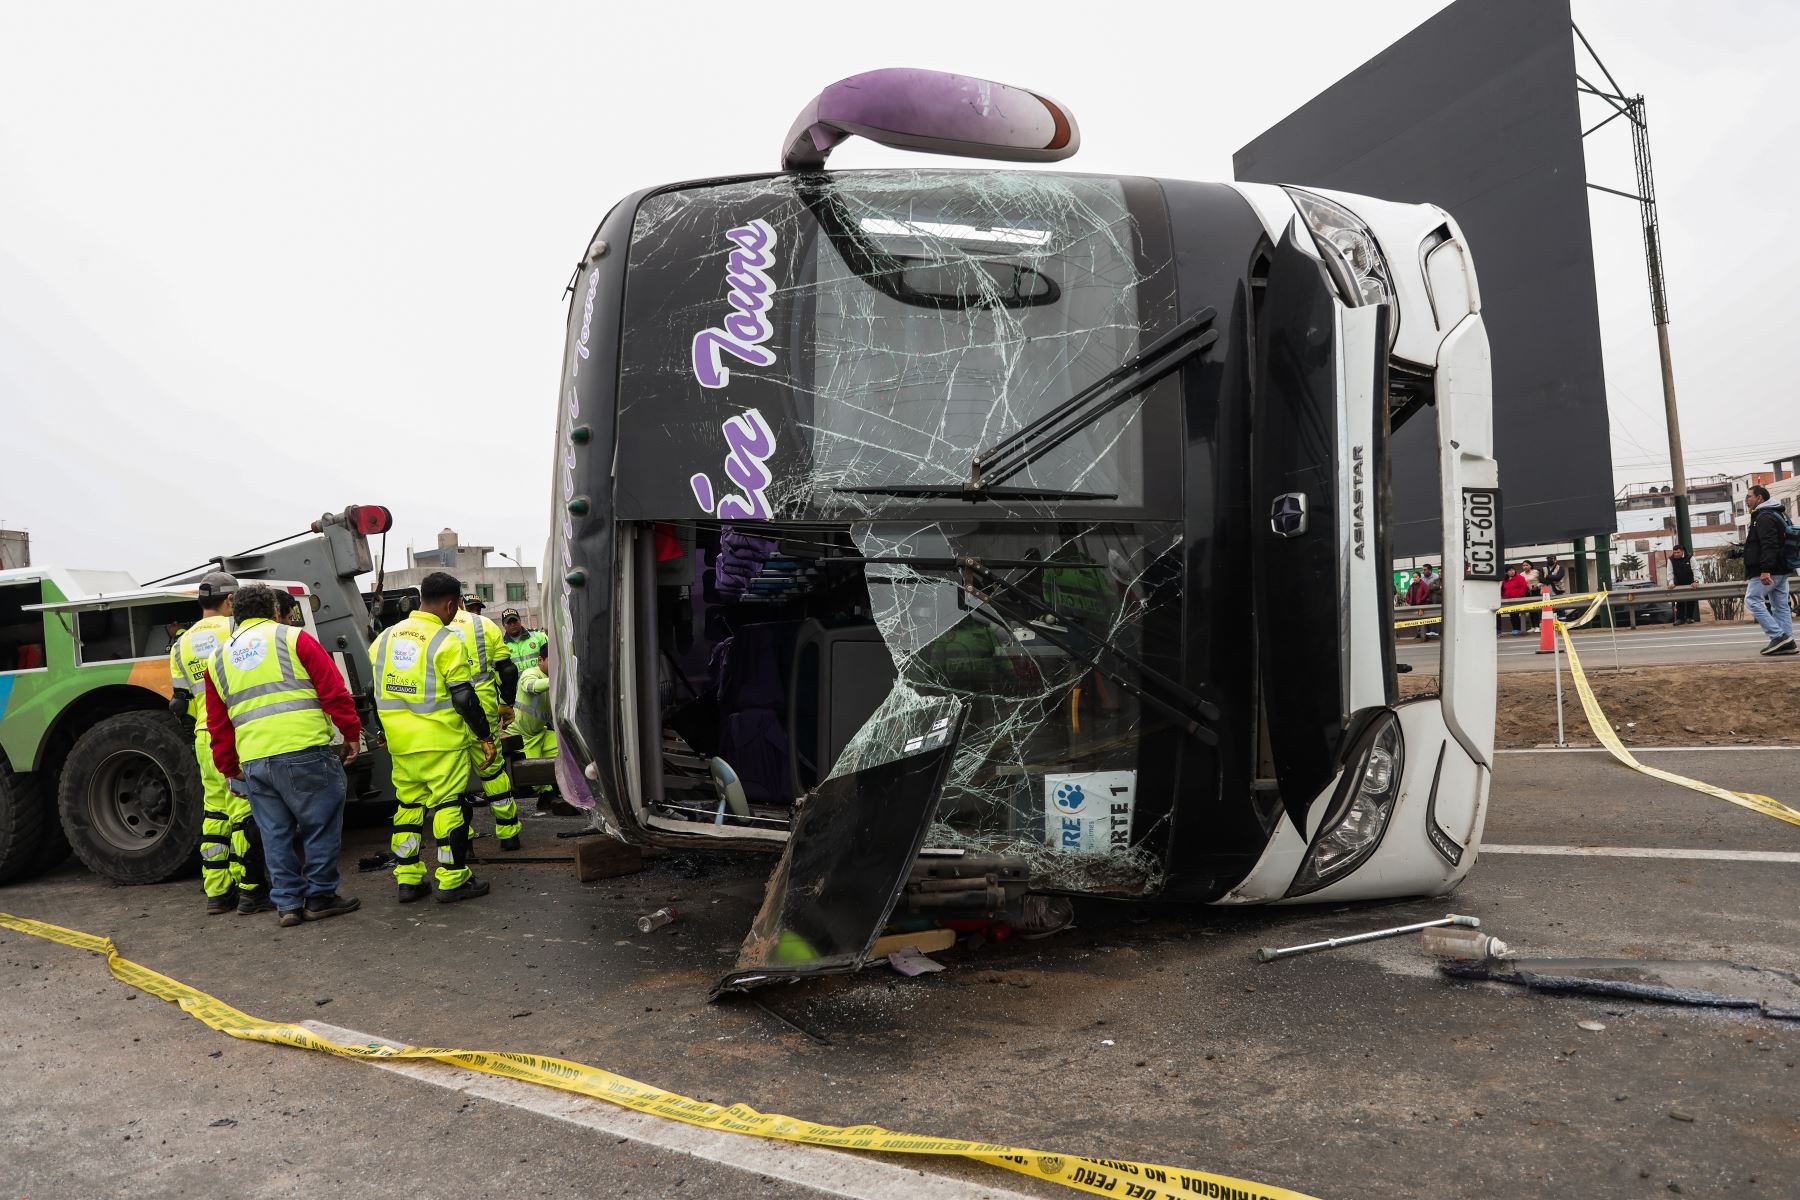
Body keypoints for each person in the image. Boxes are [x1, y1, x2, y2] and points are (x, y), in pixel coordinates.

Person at [204, 583, 362, 928]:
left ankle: (288, 904)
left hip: (255, 761)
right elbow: (333, 690)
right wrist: (350, 732)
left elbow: (217, 722)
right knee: (319, 825)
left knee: (274, 833)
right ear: (275, 610)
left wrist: (229, 767)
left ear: (235, 612)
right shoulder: (293, 638)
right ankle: (320, 896)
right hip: (304, 750)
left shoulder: (217, 658)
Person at [369, 572, 497, 902]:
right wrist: (485, 735)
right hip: (441, 742)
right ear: (451, 603)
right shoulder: (446, 640)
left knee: (408, 808)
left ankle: (409, 880)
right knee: (449, 806)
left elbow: (374, 692)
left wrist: (382, 731)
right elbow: (465, 698)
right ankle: (453, 880)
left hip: (401, 744)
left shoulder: (384, 639)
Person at [168, 572, 269, 915]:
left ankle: (216, 892)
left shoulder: (180, 643)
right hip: (235, 733)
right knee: (244, 812)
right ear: (230, 602)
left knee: (215, 813)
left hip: (203, 735)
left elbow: (179, 699)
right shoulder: (234, 631)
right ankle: (251, 889)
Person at [456, 594, 524, 850]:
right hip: (482, 707)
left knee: (452, 779)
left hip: (444, 714)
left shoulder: (428, 630)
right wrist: (506, 703)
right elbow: (507, 670)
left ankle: (462, 844)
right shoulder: (482, 625)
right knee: (493, 770)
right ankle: (508, 834)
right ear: (457, 600)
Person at [505, 641, 560, 809]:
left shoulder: (555, 679)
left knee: (565, 750)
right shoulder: (531, 673)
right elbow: (532, 687)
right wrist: (558, 679)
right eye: (553, 660)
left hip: (540, 733)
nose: (557, 665)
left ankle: (553, 794)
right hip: (523, 737)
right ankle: (545, 797)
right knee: (531, 777)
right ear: (540, 660)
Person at [1742, 485, 1796, 656]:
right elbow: (1764, 544)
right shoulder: (1777, 513)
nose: (1746, 499)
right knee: (1780, 606)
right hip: (1782, 568)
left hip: (1767, 570)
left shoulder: (1764, 516)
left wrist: (1765, 570)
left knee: (1752, 600)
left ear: (1760, 498)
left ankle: (1778, 636)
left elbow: (1769, 544)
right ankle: (1788, 641)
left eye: (1749, 496)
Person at [500, 607, 548, 673]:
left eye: (515, 621)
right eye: (509, 623)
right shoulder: (501, 645)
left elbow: (550, 659)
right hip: (516, 683)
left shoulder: (539, 637)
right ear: (503, 625)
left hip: (539, 681)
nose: (513, 625)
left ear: (520, 620)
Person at [1667, 545, 1701, 626]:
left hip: (1690, 583)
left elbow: (1695, 570)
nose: (1676, 554)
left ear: (1682, 551)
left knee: (1691, 600)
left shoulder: (1690, 558)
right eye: (1674, 552)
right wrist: (1671, 583)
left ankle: (1690, 618)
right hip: (1678, 583)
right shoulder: (1671, 559)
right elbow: (1669, 572)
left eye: (1678, 552)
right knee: (1680, 601)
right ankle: (1680, 619)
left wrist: (1696, 581)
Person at [1499, 565, 1530, 635]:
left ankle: (1518, 628)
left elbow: (1524, 587)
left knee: (1516, 614)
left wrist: (1520, 595)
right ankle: (1515, 628)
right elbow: (1503, 589)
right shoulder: (1505, 579)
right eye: (1510, 570)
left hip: (1518, 599)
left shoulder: (1519, 577)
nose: (1512, 571)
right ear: (1506, 572)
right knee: (1512, 614)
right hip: (1509, 600)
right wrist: (1504, 596)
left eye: (1513, 570)